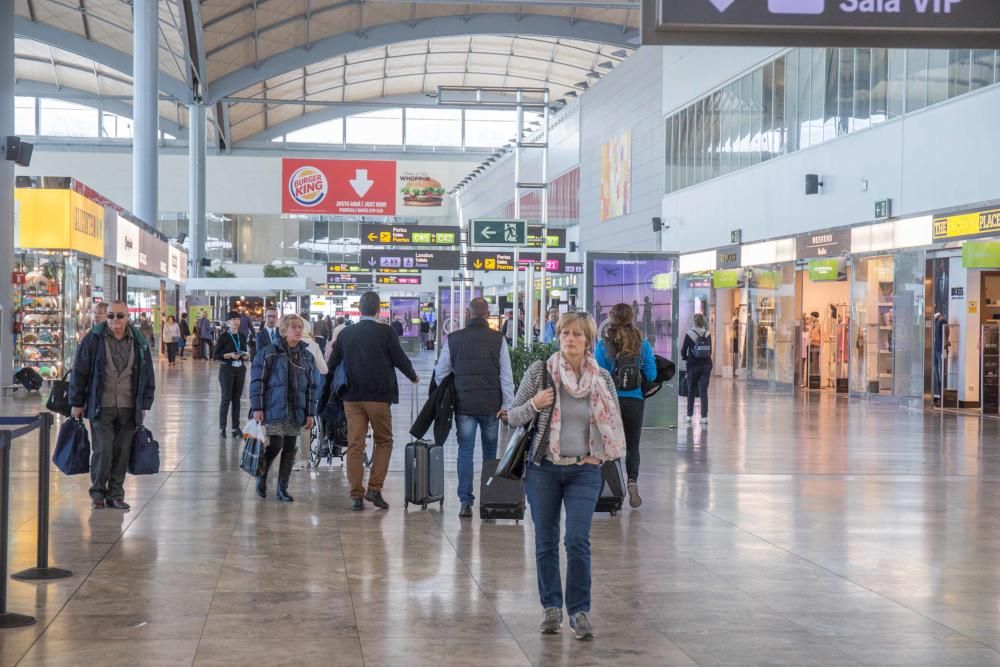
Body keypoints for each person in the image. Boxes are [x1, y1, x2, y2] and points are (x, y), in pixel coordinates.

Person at [507, 312, 626, 640]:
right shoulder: (540, 374)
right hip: (543, 470)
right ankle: (551, 608)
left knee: (576, 540)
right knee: (545, 541)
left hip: (584, 471)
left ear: (588, 340)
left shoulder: (602, 378)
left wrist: (600, 456)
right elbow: (513, 417)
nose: (569, 339)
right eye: (564, 334)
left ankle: (579, 611)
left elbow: (613, 422)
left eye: (576, 334)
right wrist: (534, 403)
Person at [329, 291, 418, 512]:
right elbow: (400, 359)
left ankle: (356, 496)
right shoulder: (385, 332)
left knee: (355, 444)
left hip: (352, 397)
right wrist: (413, 376)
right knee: (384, 441)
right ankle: (374, 489)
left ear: (359, 309)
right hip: (379, 397)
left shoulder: (346, 334)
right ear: (379, 309)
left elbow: (332, 364)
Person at [69, 300, 156, 510]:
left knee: (122, 452)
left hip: (128, 406)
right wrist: (76, 402)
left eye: (119, 316)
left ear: (128, 317)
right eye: (110, 316)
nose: (114, 320)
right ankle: (98, 493)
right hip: (101, 405)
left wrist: (145, 402)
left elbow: (147, 374)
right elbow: (79, 371)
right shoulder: (94, 339)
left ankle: (115, 494)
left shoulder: (139, 341)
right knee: (103, 450)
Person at [433, 297, 515, 518]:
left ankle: (465, 502)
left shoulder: (453, 339)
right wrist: (507, 406)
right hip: (491, 407)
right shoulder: (498, 339)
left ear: (468, 315)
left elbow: (440, 373)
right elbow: (506, 377)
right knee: (490, 454)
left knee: (465, 452)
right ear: (488, 315)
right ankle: (488, 500)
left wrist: (453, 387)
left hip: (464, 405)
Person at [249, 314, 321, 502]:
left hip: (295, 408)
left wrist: (310, 412)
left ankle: (282, 488)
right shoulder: (269, 352)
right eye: (293, 327)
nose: (298, 330)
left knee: (290, 447)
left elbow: (312, 386)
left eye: (300, 327)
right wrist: (257, 406)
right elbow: (258, 381)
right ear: (284, 331)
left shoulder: (307, 356)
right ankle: (262, 475)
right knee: (275, 445)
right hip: (274, 406)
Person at [594, 303, 656, 509]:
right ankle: (632, 481)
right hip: (635, 400)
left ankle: (613, 488)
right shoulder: (642, 344)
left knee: (610, 444)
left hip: (610, 401)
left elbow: (598, 375)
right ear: (632, 318)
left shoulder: (603, 345)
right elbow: (652, 375)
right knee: (633, 445)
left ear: (611, 319)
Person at [214, 311, 251, 438]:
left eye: (238, 319)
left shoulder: (241, 336)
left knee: (237, 400)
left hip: (239, 370)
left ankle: (235, 428)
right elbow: (216, 355)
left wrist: (245, 356)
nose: (236, 322)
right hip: (226, 370)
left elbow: (244, 351)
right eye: (233, 319)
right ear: (229, 322)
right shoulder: (223, 336)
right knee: (226, 399)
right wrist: (229, 355)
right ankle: (222, 427)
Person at [681, 312, 712, 424]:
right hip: (706, 365)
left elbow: (683, 350)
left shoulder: (689, 334)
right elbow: (710, 351)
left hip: (693, 365)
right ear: (704, 322)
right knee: (703, 391)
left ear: (694, 322)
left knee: (691, 390)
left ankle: (689, 415)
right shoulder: (707, 334)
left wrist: (686, 358)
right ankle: (704, 417)